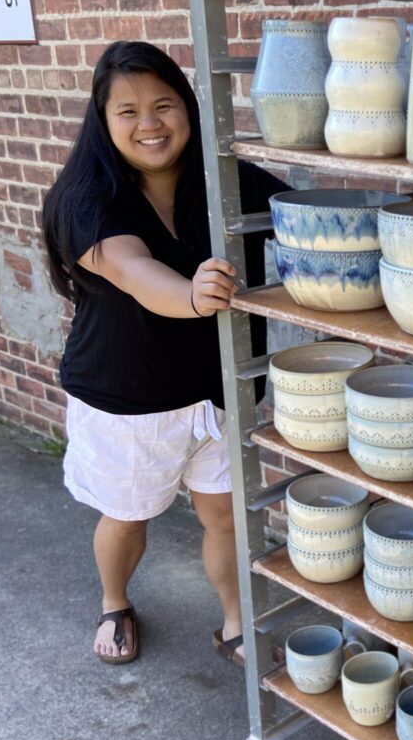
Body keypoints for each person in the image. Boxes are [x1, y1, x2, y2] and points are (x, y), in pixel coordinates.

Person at [42, 41, 282, 666]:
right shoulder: (86, 197)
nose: (149, 124)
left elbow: (301, 209)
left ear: (187, 107)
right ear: (103, 119)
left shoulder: (225, 178)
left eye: (163, 105)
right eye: (128, 111)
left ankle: (234, 622)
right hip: (128, 396)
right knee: (127, 517)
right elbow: (134, 270)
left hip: (219, 388)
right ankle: (115, 601)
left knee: (227, 518)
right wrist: (196, 296)